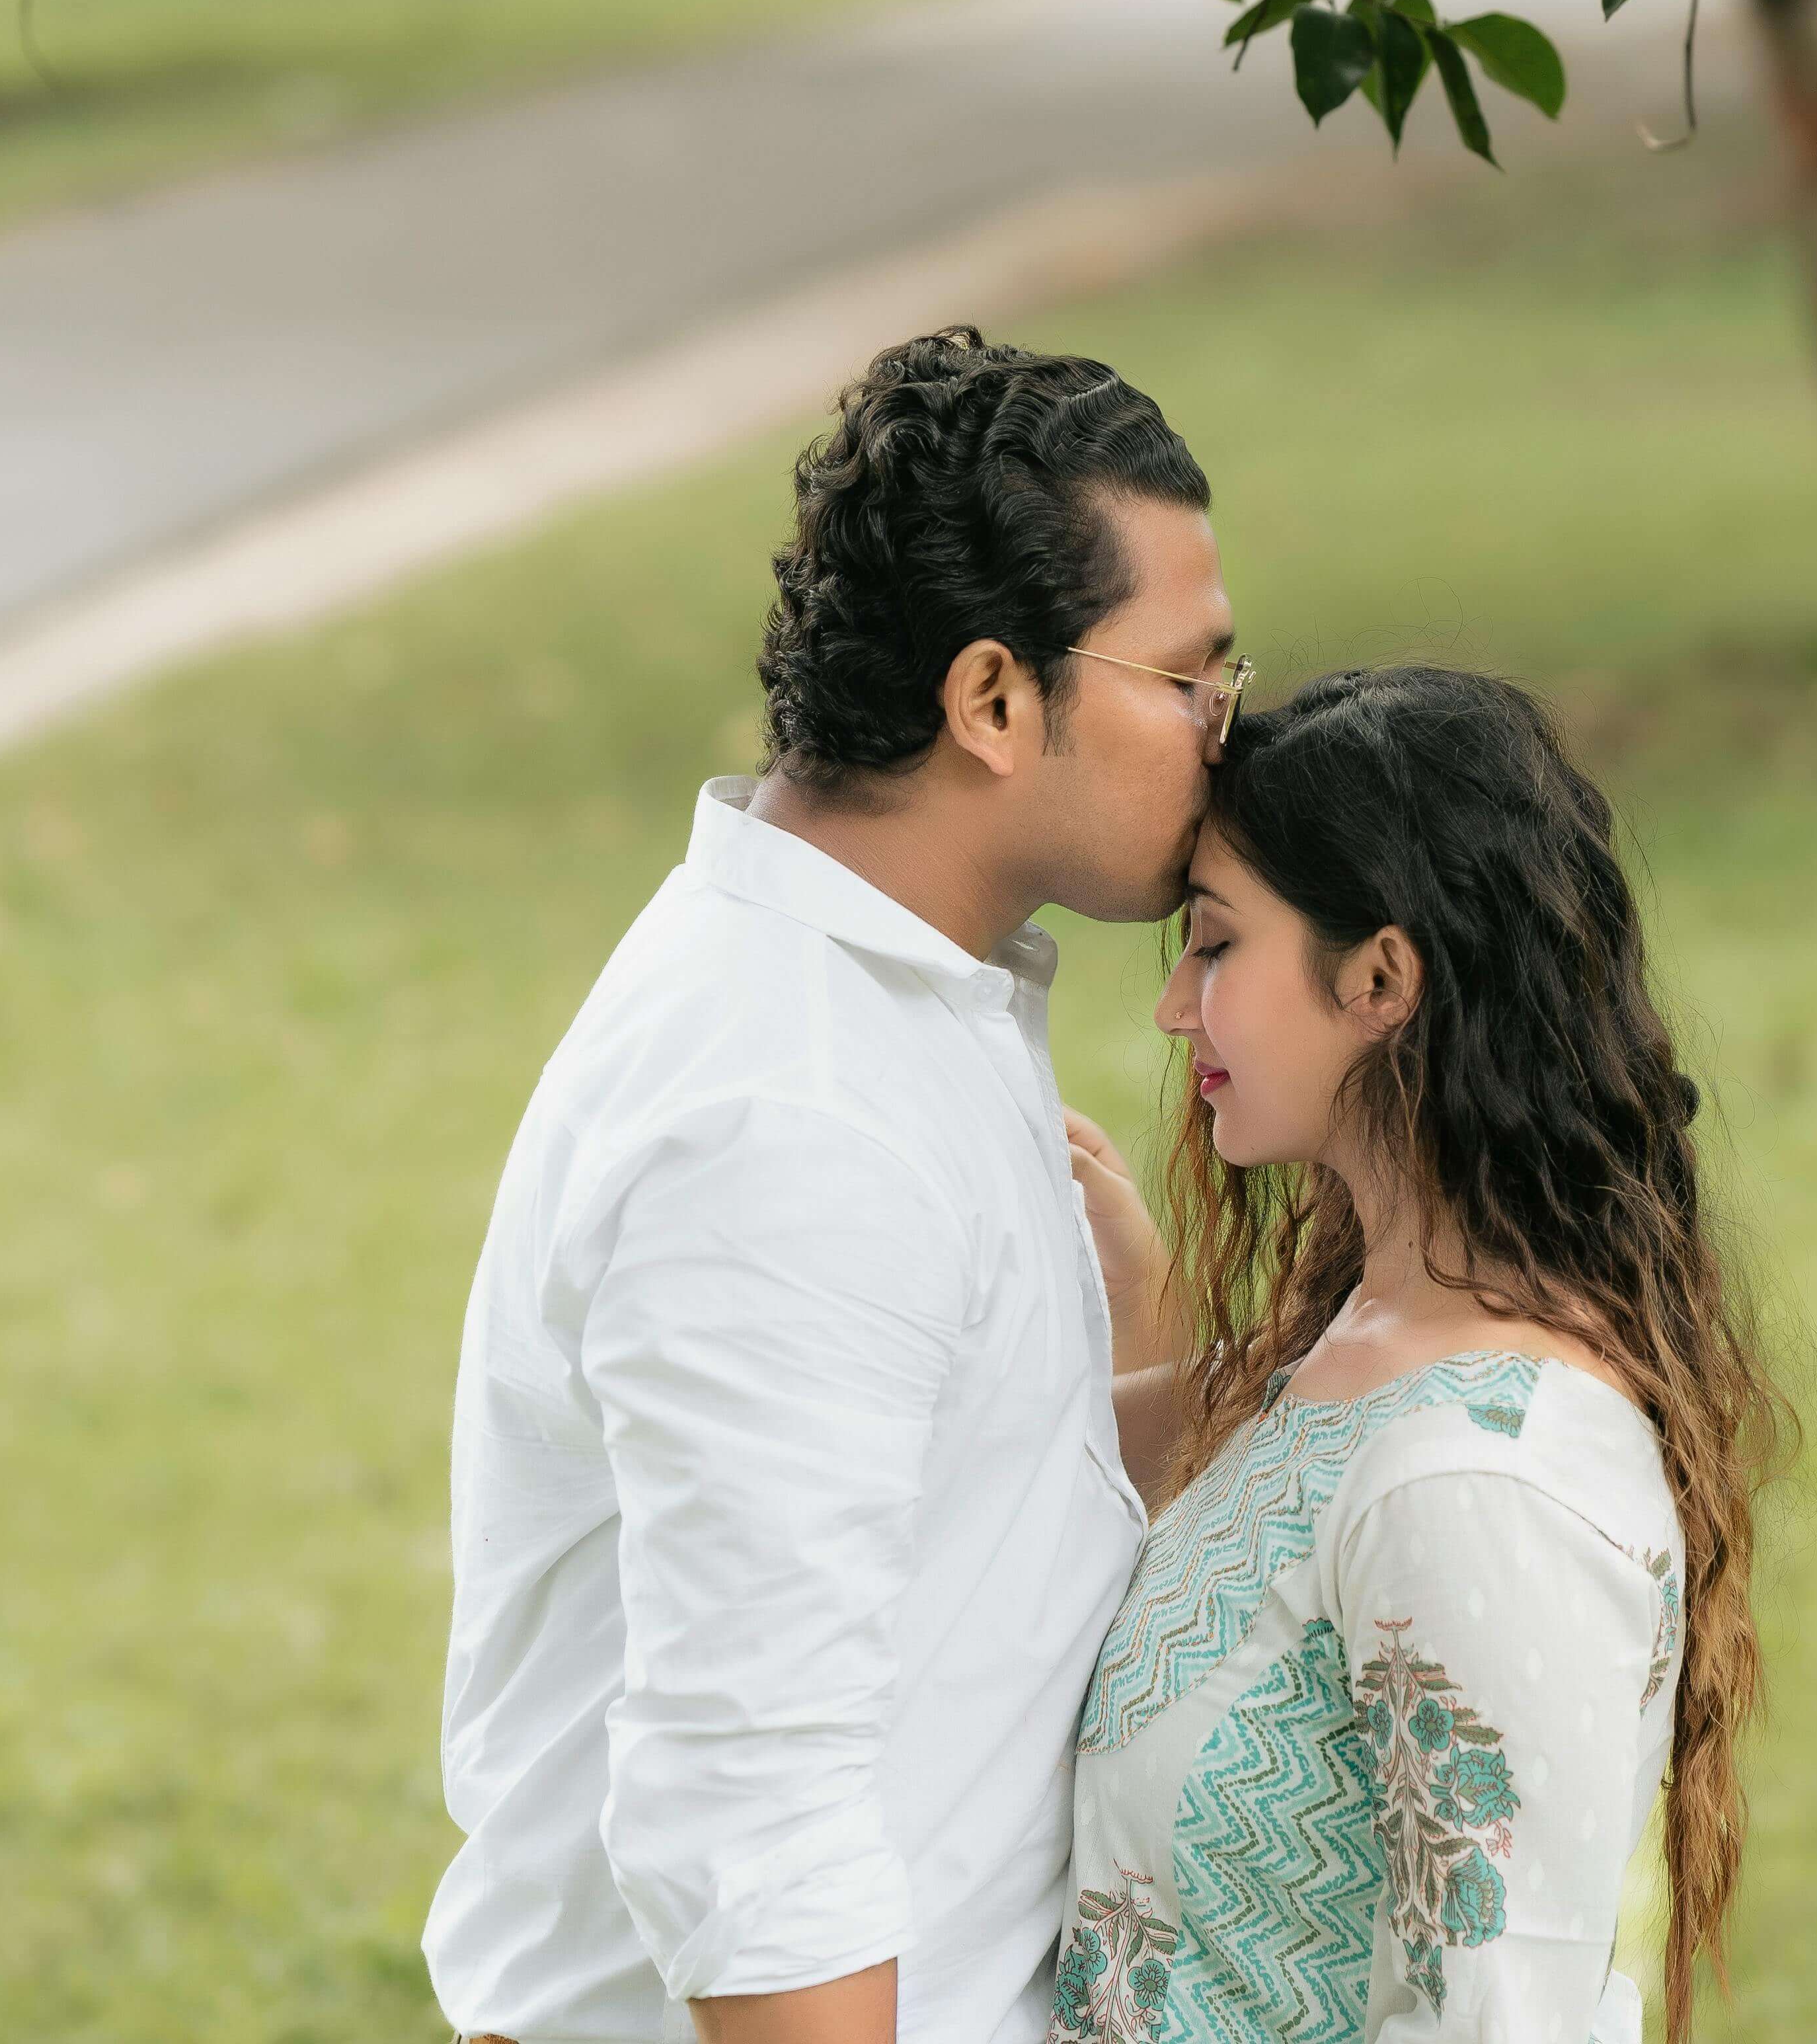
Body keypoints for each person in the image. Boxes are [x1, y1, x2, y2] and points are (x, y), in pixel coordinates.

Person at [427, 331, 1249, 2044]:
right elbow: (754, 1809)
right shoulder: (791, 1115)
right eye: (1189, 680)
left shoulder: (893, 1006)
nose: (1226, 736)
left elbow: (955, 1513)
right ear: (994, 700)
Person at [1057, 666, 1785, 2044]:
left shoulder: (1479, 1482)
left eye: (1215, 945)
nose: (1174, 1008)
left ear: (1382, 978)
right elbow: (1051, 1471)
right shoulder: (1354, 1348)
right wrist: (1127, 1291)